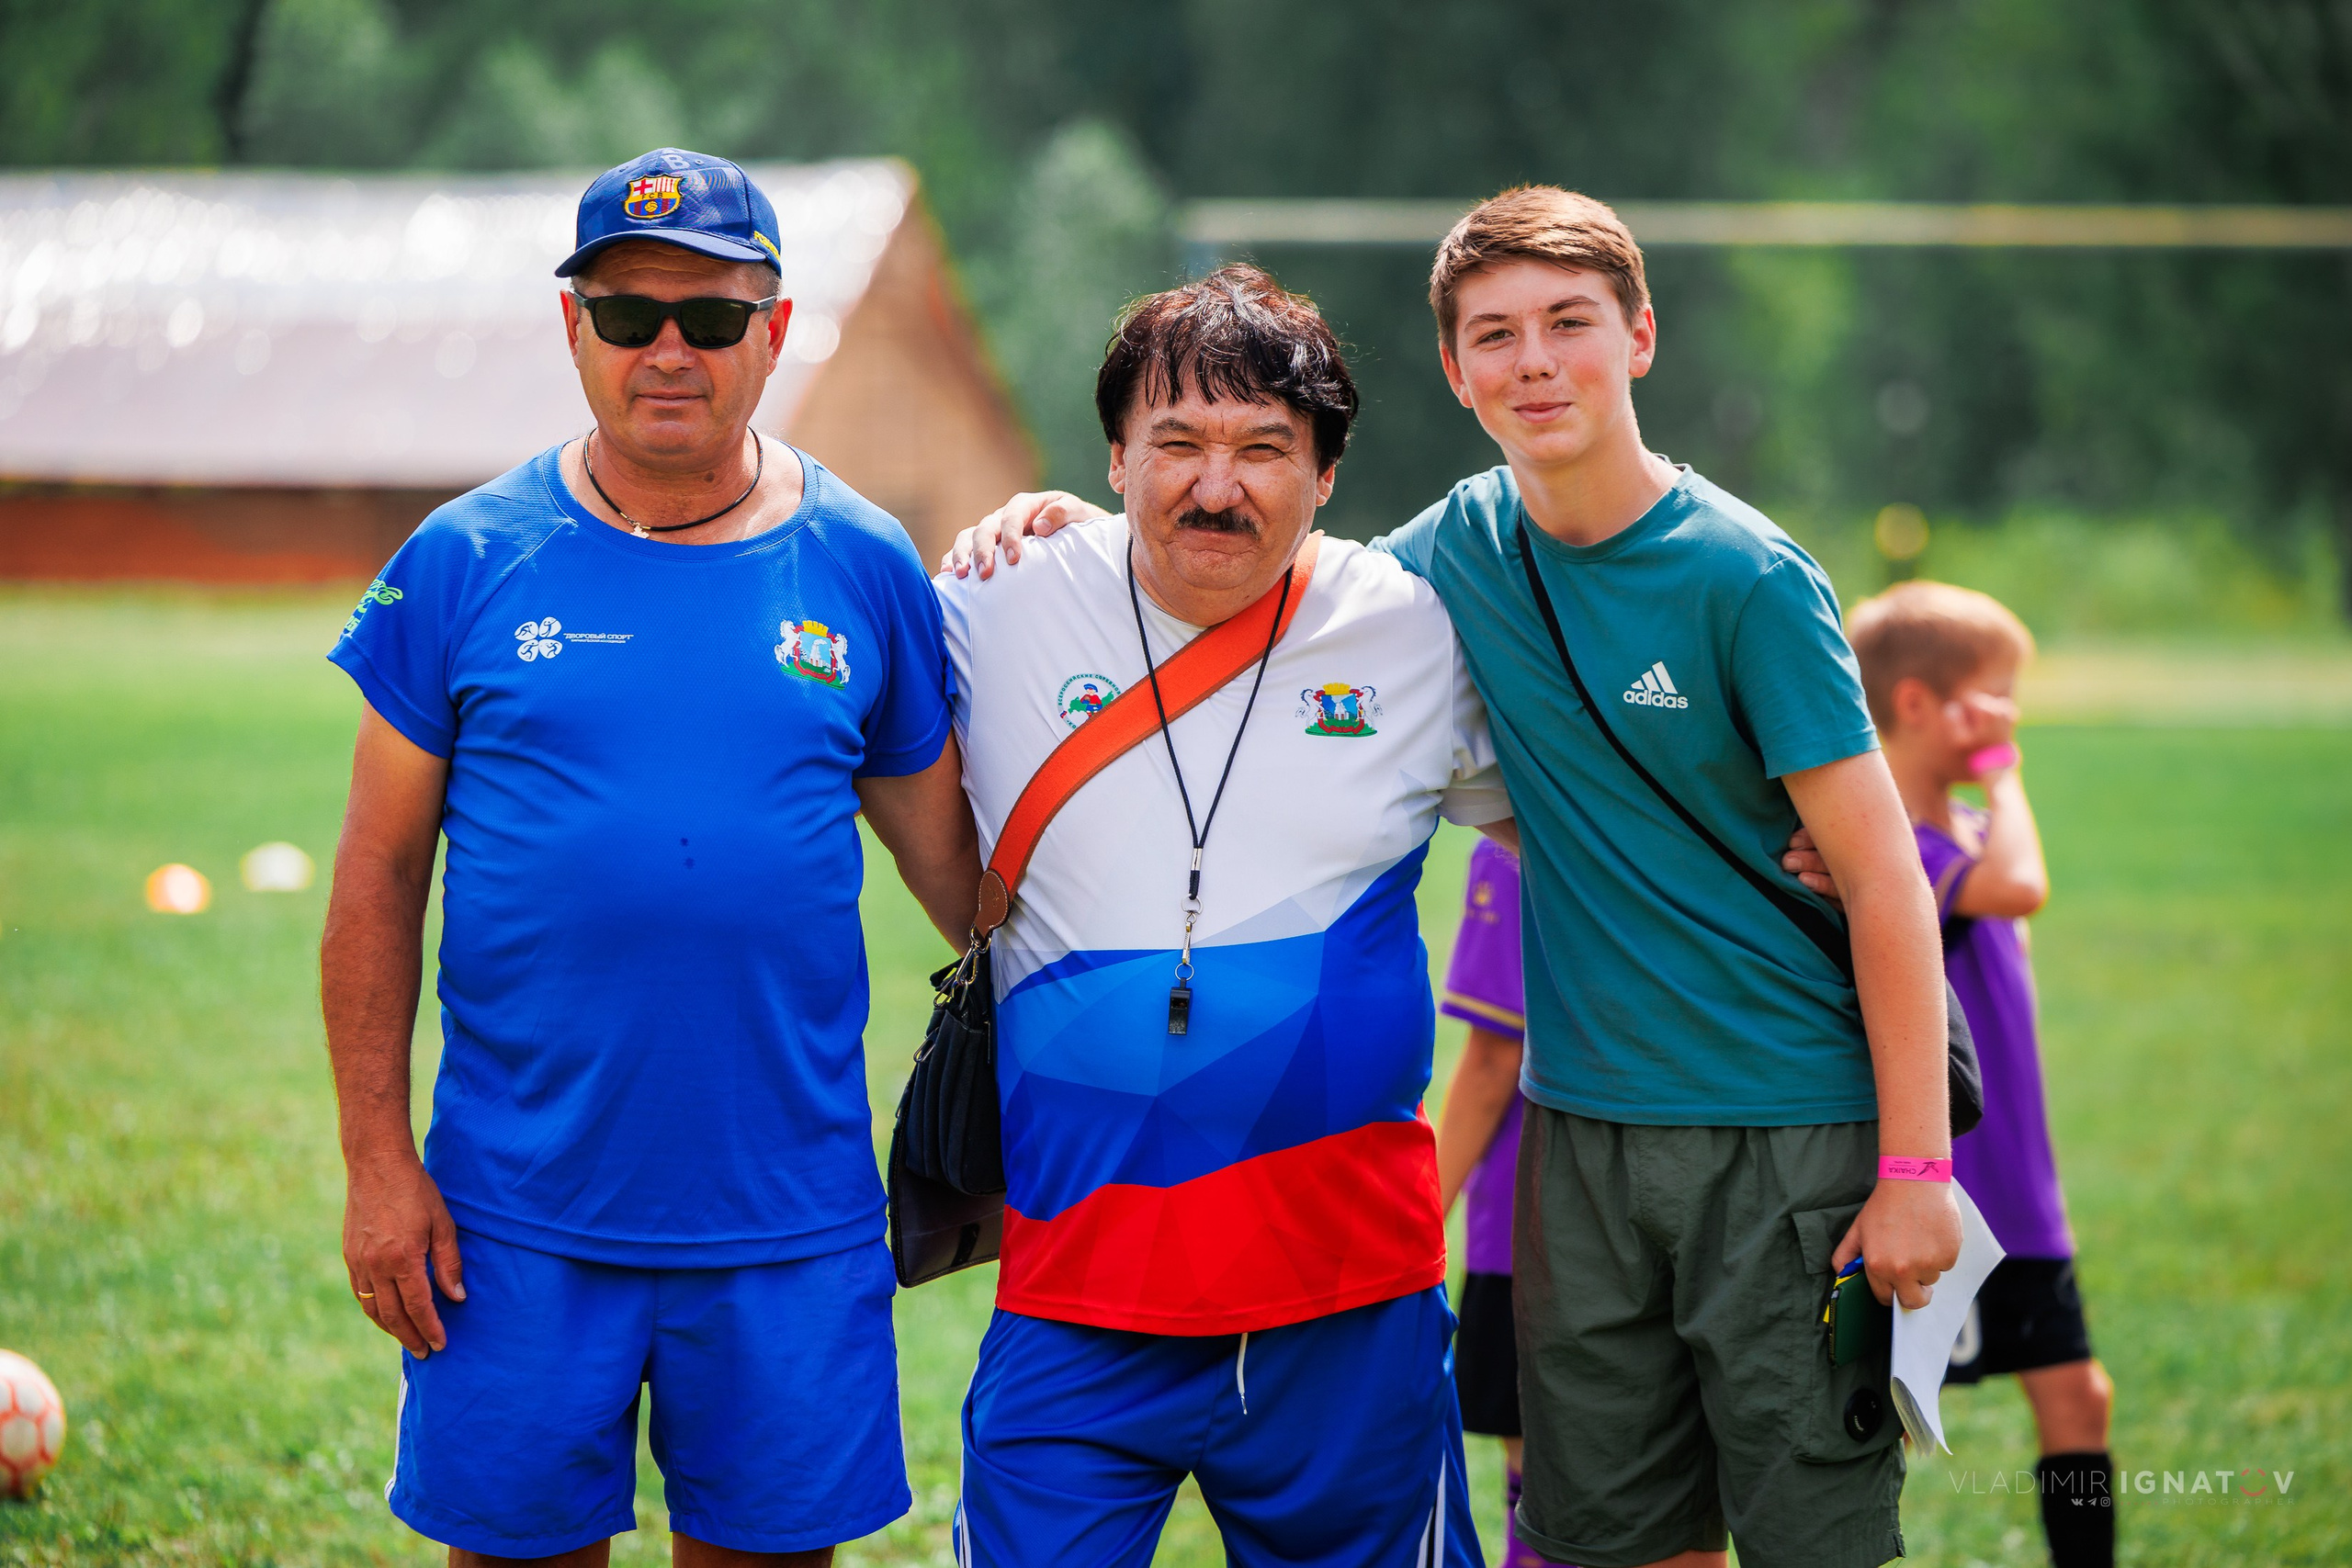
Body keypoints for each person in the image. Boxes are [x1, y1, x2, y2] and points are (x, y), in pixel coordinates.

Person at [949, 187, 1960, 1568]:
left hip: (1759, 1127)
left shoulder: (1688, 580)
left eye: (1568, 323)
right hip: (1565, 1139)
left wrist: (1914, 1164)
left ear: (1640, 336)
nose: (1534, 362)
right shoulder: (1428, 566)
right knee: (1613, 1529)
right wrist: (1077, 530)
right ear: (1454, 366)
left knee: (1809, 1530)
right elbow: (1233, 558)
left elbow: (1876, 873)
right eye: (1496, 334)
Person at [319, 148, 978, 1568]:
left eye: (712, 316)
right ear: (574, 328)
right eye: (628, 314)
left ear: (775, 331)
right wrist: (377, 1163)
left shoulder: (865, 561)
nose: (668, 349)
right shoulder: (464, 556)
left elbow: (970, 890)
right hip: (512, 1216)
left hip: (788, 1219)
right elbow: (375, 875)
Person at [936, 265, 1506, 1566]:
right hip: (1078, 1291)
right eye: (1177, 442)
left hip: (1347, 1305)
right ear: (1114, 458)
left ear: (1327, 475)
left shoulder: (1412, 629)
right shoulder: (991, 601)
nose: (1214, 485)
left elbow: (1594, 821)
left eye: (1262, 448)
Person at [1850, 580, 2115, 1568]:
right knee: (1875, 1414)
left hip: (2021, 1187)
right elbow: (2022, 885)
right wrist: (2003, 775)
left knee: (2077, 1396)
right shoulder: (1898, 848)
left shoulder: (1957, 833)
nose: (2010, 713)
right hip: (1945, 1191)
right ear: (1917, 703)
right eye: (1994, 694)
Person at [1431, 840, 1541, 1568]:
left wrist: (1414, 1230)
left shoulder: (1511, 849)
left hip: (1529, 1225)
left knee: (1540, 1483)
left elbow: (1493, 1062)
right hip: (1680, 1193)